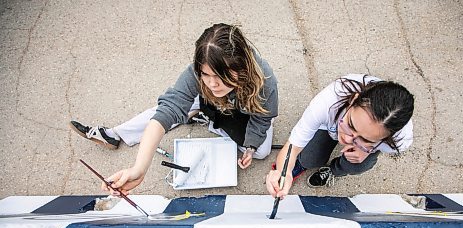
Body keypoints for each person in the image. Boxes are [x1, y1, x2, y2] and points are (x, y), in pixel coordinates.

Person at [69, 23, 278, 194]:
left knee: (260, 151)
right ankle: (114, 134)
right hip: (206, 101)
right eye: (205, 75)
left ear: (241, 68)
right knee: (169, 109)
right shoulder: (201, 76)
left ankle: (204, 117)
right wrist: (139, 169)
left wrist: (250, 146)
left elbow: (262, 119)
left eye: (220, 76)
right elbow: (167, 110)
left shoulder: (264, 80)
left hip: (245, 108)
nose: (212, 83)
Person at [266, 74, 414, 199]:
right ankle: (304, 164)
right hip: (329, 125)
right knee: (308, 159)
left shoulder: (400, 141)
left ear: (387, 138)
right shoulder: (328, 102)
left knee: (358, 165)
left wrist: (367, 150)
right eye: (351, 124)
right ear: (353, 100)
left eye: (366, 139)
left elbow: (378, 147)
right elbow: (293, 147)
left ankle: (333, 170)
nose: (348, 140)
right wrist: (283, 172)